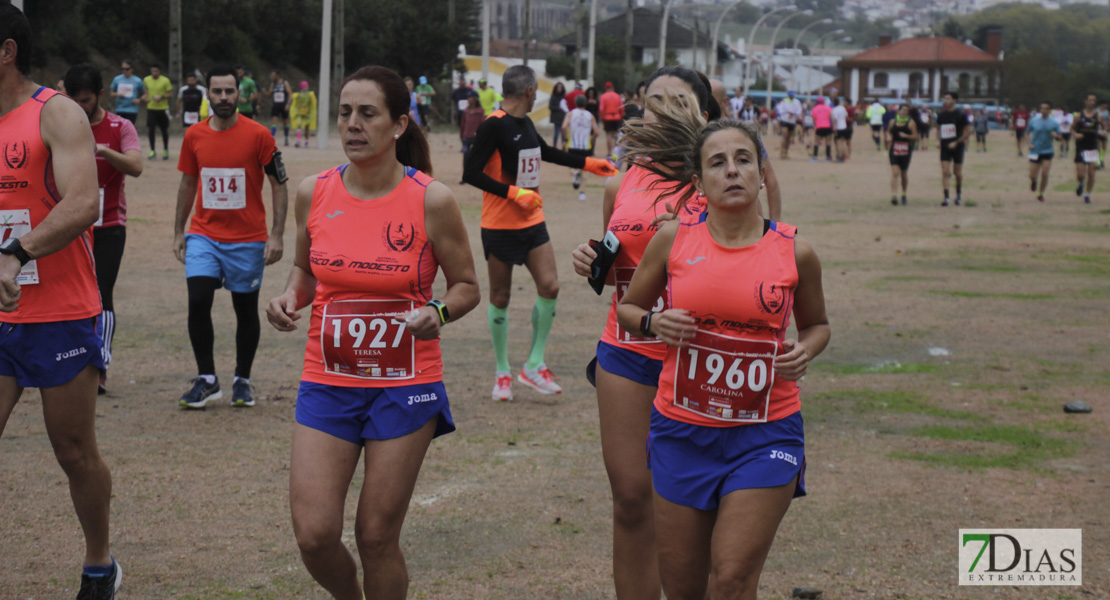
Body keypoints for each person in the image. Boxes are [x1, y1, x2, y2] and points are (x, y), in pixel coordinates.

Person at [265, 64, 480, 600]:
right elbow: (307, 272)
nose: (353, 124)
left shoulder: (432, 200)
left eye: (368, 113)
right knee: (314, 535)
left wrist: (441, 313)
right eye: (345, 112)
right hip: (328, 378)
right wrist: (290, 298)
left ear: (399, 125)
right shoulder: (314, 192)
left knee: (377, 535)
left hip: (405, 385)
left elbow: (467, 286)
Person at [614, 97, 830, 600]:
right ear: (700, 180)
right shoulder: (672, 240)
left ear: (760, 174)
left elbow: (817, 324)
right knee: (684, 587)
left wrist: (807, 349)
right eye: (717, 162)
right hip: (681, 432)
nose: (731, 171)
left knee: (731, 577)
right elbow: (627, 309)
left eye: (743, 160)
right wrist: (653, 321)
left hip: (766, 433)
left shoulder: (795, 251)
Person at [570, 65, 713, 600]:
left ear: (704, 113)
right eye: (655, 100)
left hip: (699, 355)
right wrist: (593, 258)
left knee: (690, 503)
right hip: (627, 350)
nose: (665, 109)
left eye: (679, 100)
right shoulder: (621, 181)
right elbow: (611, 264)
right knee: (631, 498)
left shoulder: (721, 177)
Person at [0, 4, 122, 597]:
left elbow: (83, 203)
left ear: (6, 51)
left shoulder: (58, 114)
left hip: (62, 313)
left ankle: (99, 562)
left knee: (73, 451)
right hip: (0, 313)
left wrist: (16, 253)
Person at [462, 65, 618, 401]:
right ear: (531, 91)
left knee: (550, 286)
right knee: (500, 297)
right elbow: (471, 173)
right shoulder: (494, 125)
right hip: (499, 225)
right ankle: (502, 372)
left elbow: (544, 153)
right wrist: (513, 193)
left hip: (532, 222)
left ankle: (533, 365)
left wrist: (589, 163)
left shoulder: (525, 123)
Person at [172, 65, 289, 409]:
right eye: (217, 91)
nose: (224, 97)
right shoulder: (194, 136)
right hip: (204, 235)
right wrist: (179, 231)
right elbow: (188, 183)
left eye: (229, 91)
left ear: (240, 94)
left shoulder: (259, 136)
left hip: (248, 239)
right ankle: (207, 378)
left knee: (245, 309)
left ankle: (243, 380)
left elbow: (278, 183)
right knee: (197, 299)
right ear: (207, 94)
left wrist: (277, 235)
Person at [63, 64, 144, 395]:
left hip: (108, 224)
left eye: (85, 100)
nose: (79, 107)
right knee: (69, 296)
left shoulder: (119, 126)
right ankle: (68, 361)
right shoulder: (62, 126)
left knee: (101, 293)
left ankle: (100, 366)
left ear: (99, 95)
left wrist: (103, 151)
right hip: (70, 226)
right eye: (73, 100)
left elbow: (136, 166)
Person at [936, 92, 971, 206]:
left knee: (957, 173)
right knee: (945, 172)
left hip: (958, 147)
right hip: (945, 147)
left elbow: (967, 132)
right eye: (944, 98)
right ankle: (946, 198)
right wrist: (938, 140)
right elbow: (938, 129)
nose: (945, 100)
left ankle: (958, 195)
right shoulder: (941, 115)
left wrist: (957, 142)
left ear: (954, 100)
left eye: (948, 99)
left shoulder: (961, 115)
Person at [563, 94, 599, 202]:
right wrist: (592, 139)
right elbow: (597, 132)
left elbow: (564, 127)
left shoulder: (571, 114)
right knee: (585, 169)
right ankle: (582, 193)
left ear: (575, 103)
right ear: (586, 103)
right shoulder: (590, 115)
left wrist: (565, 139)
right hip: (585, 146)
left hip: (573, 145)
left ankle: (575, 174)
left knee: (572, 165)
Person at [1071, 93, 1102, 205]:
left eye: (1094, 100)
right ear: (1085, 101)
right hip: (1081, 147)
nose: (1092, 102)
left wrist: (1103, 132)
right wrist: (1075, 135)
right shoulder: (1078, 116)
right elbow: (1071, 129)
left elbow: (1104, 129)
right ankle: (1081, 183)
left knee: (1092, 173)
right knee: (1080, 174)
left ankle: (1087, 195)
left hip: (1092, 147)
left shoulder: (1098, 116)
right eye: (1090, 100)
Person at [885, 103, 919, 206]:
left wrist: (906, 136)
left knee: (904, 174)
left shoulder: (911, 123)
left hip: (906, 150)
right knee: (895, 173)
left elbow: (916, 137)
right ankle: (894, 195)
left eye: (906, 111)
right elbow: (888, 132)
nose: (904, 112)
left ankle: (904, 193)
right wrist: (888, 137)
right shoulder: (893, 122)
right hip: (895, 149)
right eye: (902, 110)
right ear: (898, 111)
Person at [1027, 101, 1061, 203]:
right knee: (1032, 175)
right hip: (1035, 150)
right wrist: (1029, 143)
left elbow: (1060, 136)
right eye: (1042, 108)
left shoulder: (1054, 122)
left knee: (1045, 174)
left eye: (1046, 108)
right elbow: (1027, 133)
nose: (1044, 111)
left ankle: (1041, 194)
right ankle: (1034, 181)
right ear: (1040, 109)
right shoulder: (1034, 120)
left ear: (1050, 110)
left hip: (1048, 150)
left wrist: (1057, 136)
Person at [141, 63, 173, 160]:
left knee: (164, 130)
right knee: (151, 130)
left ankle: (165, 150)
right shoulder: (146, 79)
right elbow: (145, 92)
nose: (154, 73)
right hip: (151, 108)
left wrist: (162, 97)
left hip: (163, 109)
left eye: (156, 71)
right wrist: (145, 98)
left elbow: (170, 94)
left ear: (159, 71)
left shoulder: (165, 80)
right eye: (153, 71)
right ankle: (152, 150)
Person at [458, 95, 484, 184]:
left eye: (470, 98)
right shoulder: (465, 111)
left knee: (475, 158)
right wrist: (461, 135)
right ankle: (465, 178)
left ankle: (476, 177)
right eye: (467, 98)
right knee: (466, 156)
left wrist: (481, 136)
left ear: (475, 99)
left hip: (476, 138)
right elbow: (462, 124)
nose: (468, 99)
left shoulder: (480, 111)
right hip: (466, 137)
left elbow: (482, 125)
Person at [109, 60, 143, 125]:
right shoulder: (117, 79)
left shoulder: (137, 80)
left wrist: (139, 99)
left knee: (129, 130)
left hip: (132, 110)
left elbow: (145, 94)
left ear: (132, 69)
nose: (125, 71)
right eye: (123, 69)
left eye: (127, 69)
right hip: (120, 109)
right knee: (120, 130)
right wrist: (117, 94)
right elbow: (111, 93)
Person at [598, 81, 624, 159]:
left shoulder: (603, 96)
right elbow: (622, 107)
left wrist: (602, 118)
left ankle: (609, 152)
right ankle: (616, 153)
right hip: (617, 117)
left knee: (608, 135)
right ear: (612, 87)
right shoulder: (617, 96)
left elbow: (601, 109)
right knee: (616, 135)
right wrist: (620, 116)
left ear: (606, 88)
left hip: (608, 117)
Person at [267, 70, 293, 146]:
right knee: (274, 122)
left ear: (278, 75)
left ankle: (286, 138)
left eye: (273, 75)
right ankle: (272, 139)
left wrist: (288, 104)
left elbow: (290, 93)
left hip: (284, 105)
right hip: (276, 105)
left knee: (285, 122)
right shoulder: (273, 84)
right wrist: (267, 92)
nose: (272, 77)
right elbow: (269, 95)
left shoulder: (285, 83)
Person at [775, 90, 803, 159]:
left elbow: (799, 110)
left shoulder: (797, 101)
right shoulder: (784, 101)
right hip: (785, 120)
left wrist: (794, 114)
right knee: (785, 135)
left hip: (792, 121)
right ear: (788, 95)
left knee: (789, 137)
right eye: (790, 95)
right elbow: (779, 108)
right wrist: (785, 113)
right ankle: (782, 151)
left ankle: (786, 152)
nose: (791, 96)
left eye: (792, 95)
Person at [291, 80, 317, 147]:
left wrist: (312, 113)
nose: (307, 87)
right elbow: (295, 104)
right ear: (302, 87)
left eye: (307, 86)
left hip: (307, 114)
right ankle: (298, 141)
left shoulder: (310, 95)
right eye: (305, 86)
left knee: (307, 128)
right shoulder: (297, 95)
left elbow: (313, 104)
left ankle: (306, 141)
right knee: (299, 125)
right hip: (300, 113)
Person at [810, 97, 833, 162]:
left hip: (819, 126)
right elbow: (831, 116)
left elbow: (814, 118)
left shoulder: (814, 109)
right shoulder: (828, 108)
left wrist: (815, 125)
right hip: (828, 126)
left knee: (816, 142)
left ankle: (815, 157)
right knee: (828, 142)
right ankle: (828, 157)